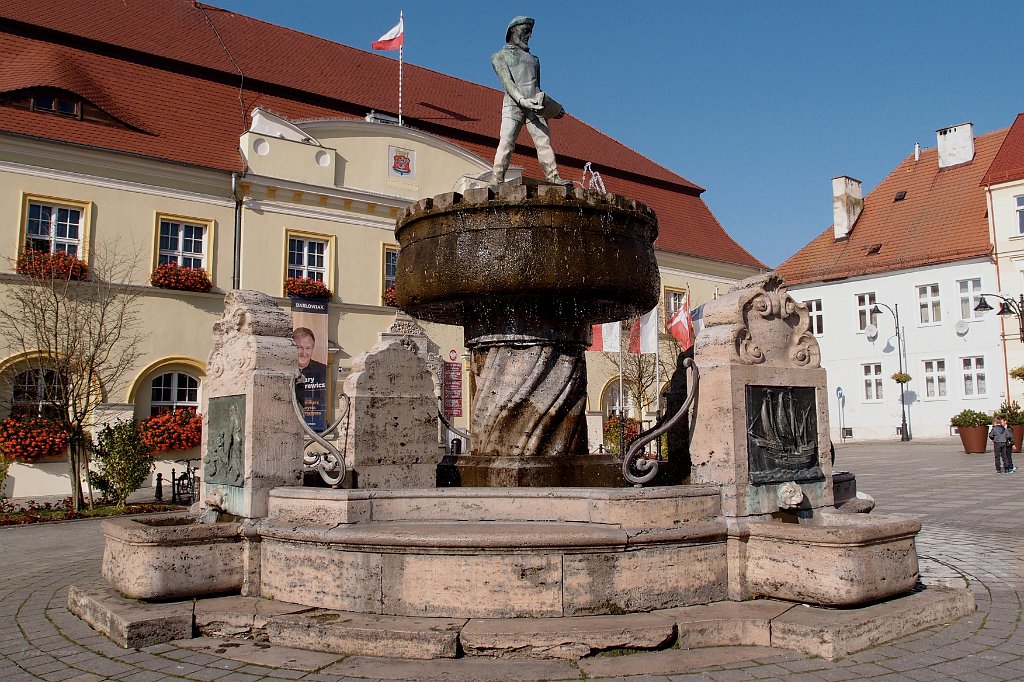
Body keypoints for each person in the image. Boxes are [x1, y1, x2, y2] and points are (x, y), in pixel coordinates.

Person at [490, 16, 571, 186]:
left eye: (530, 32)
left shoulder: (534, 60)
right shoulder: (499, 56)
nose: (529, 35)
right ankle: (496, 179)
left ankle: (553, 177)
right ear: (513, 31)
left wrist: (552, 108)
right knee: (506, 142)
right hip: (513, 105)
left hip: (534, 105)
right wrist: (522, 100)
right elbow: (507, 83)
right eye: (525, 31)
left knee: (544, 143)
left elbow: (537, 87)